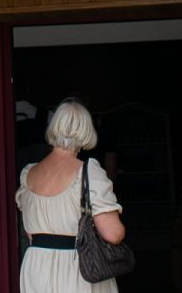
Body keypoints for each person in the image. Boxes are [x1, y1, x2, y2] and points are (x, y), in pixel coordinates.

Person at [15, 99, 127, 292]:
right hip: (77, 268)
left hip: (36, 266)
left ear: (53, 128)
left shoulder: (29, 173)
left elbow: (30, 233)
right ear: (86, 131)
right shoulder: (88, 172)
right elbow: (113, 234)